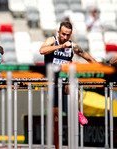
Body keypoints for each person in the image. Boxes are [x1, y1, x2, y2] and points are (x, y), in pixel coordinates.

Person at [39, 21, 97, 149]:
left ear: (71, 34)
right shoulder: (52, 40)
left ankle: (75, 109)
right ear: (58, 32)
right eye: (63, 34)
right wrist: (60, 47)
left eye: (68, 35)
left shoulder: (73, 46)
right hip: (52, 82)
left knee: (71, 80)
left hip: (65, 80)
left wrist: (103, 70)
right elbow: (42, 50)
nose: (65, 37)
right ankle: (58, 147)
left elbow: (89, 59)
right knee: (56, 119)